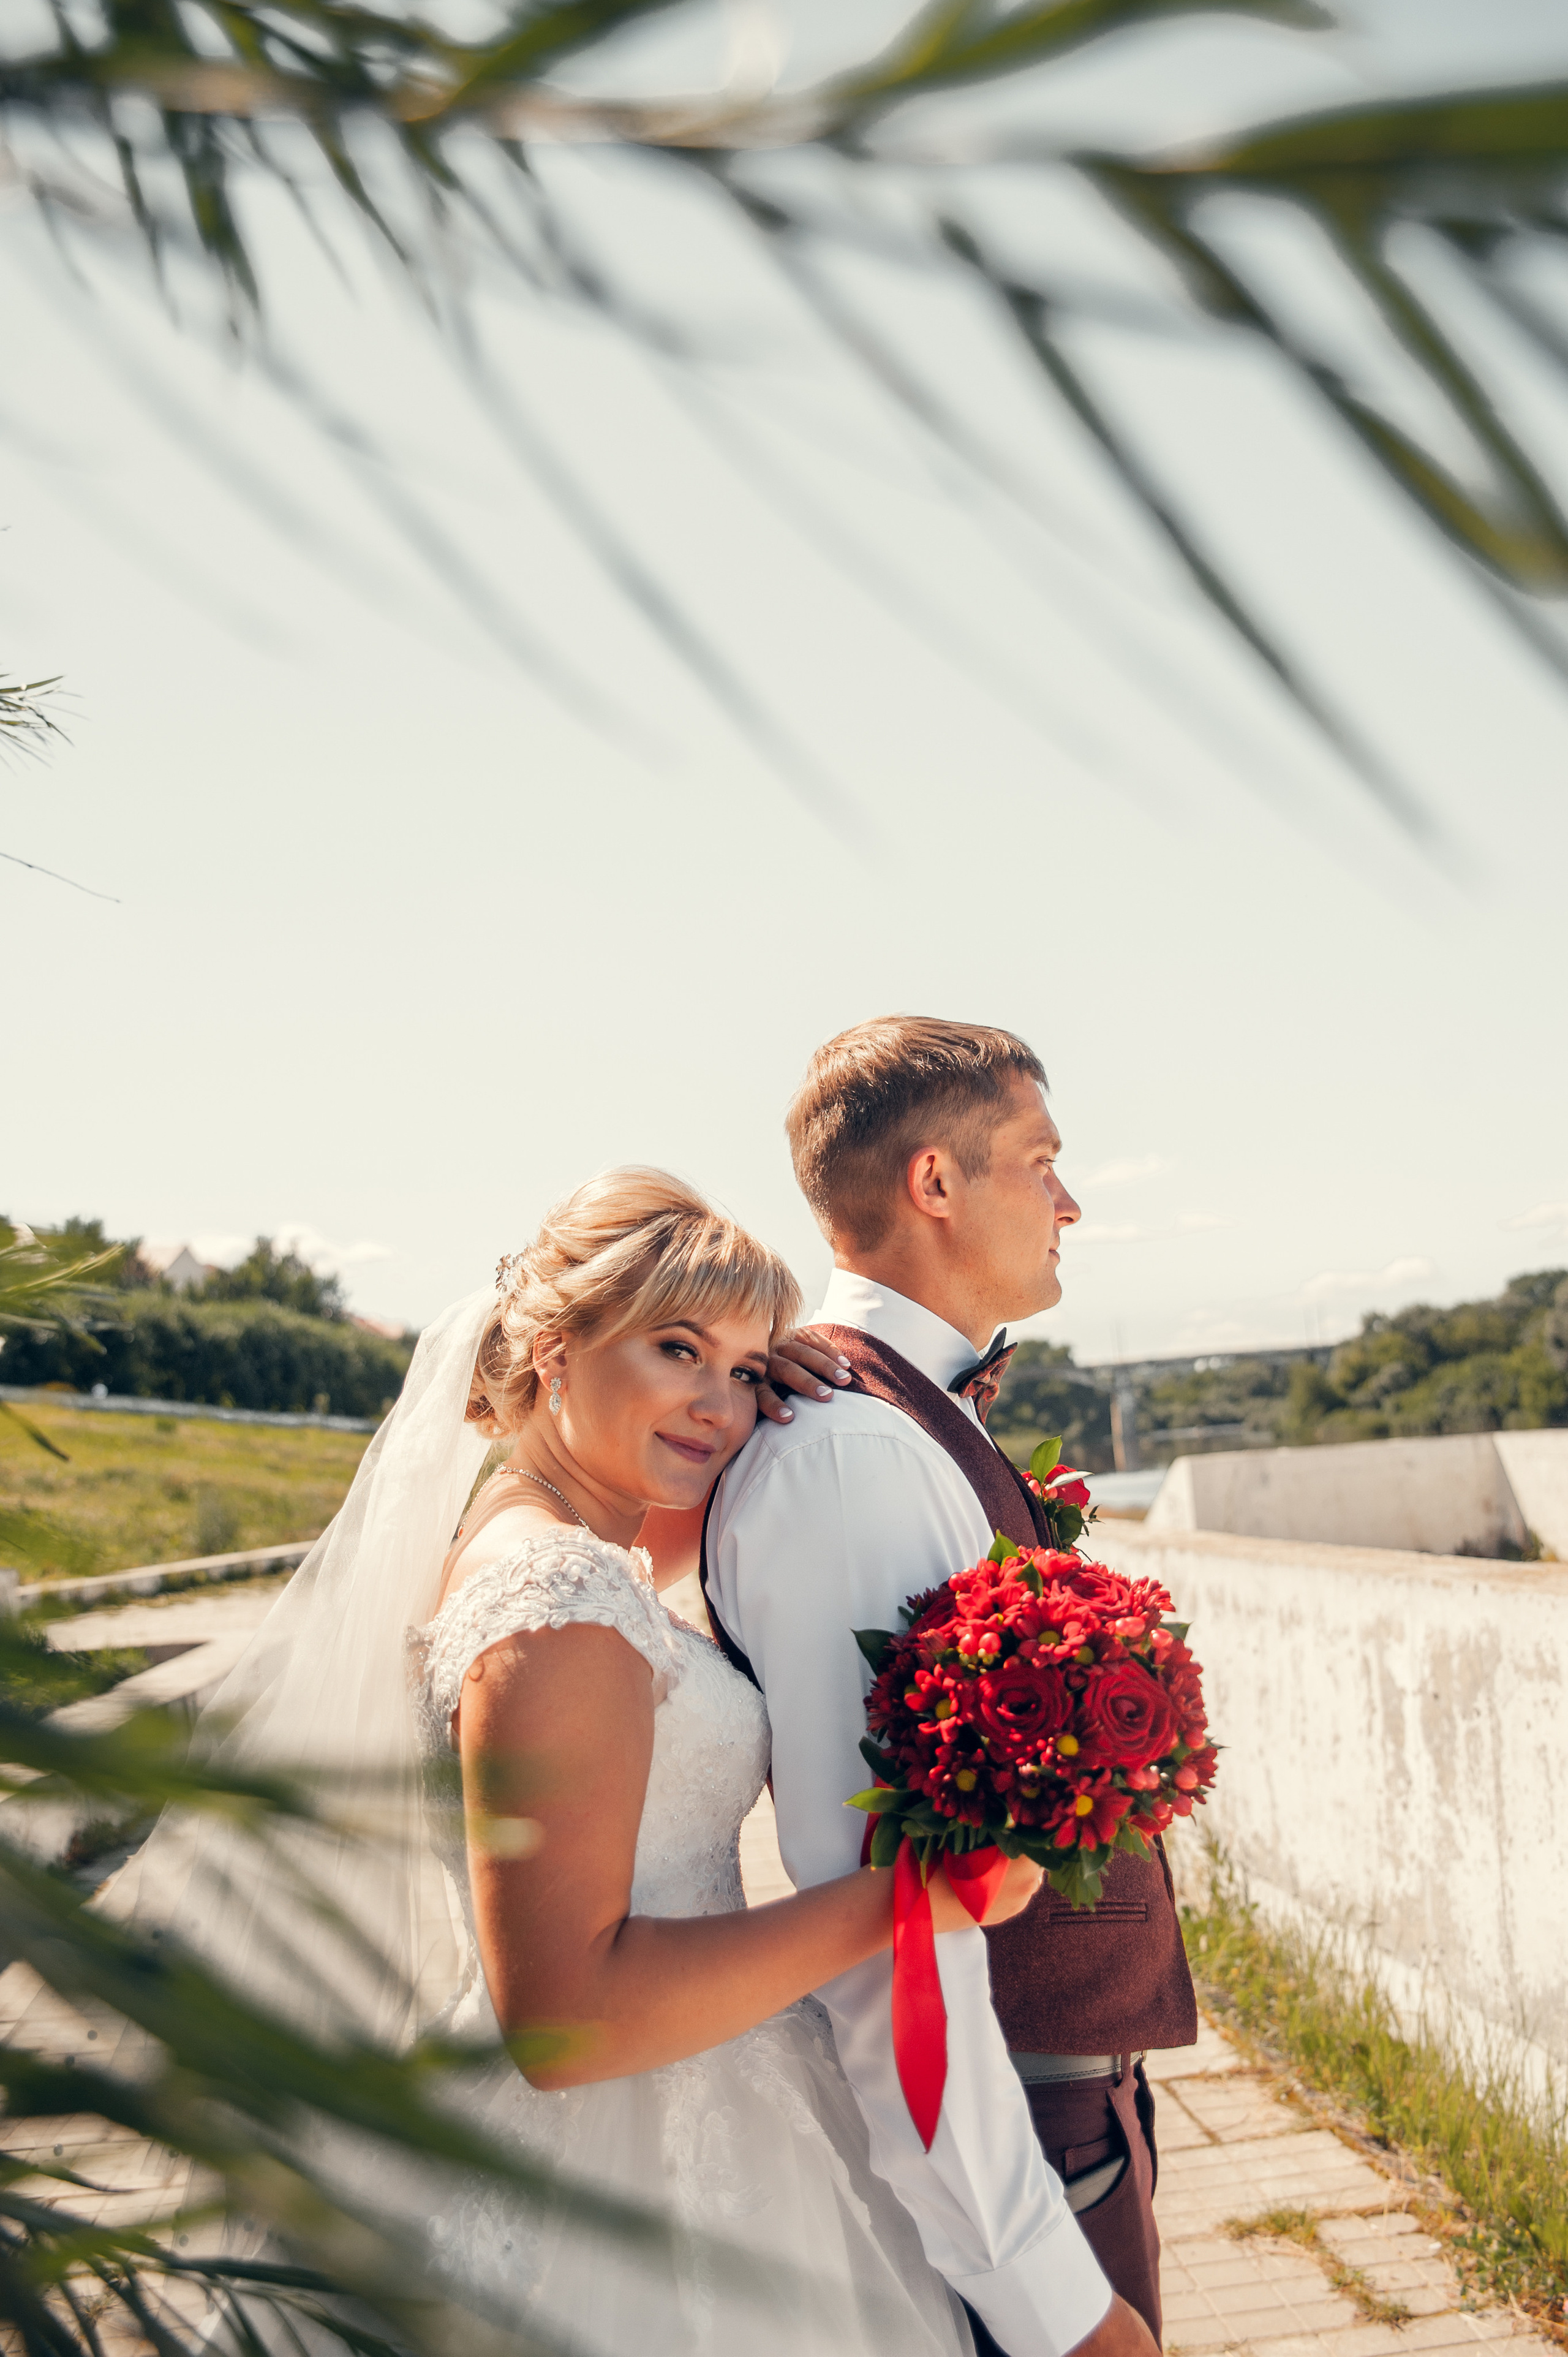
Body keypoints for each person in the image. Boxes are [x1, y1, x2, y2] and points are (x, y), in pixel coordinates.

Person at [113, 1167, 1099, 2357]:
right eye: (676, 1348)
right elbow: (565, 2018)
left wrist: (720, 1397)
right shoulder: (562, 1602)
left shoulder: (542, 1544)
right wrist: (910, 1900)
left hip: (683, 2098)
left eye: (743, 1368)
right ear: (552, 1350)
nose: (720, 1405)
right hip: (623, 2162)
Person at [703, 1016, 1197, 2355]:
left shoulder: (912, 1409)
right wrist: (1051, 2304)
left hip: (1056, 2092)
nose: (1069, 1200)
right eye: (1038, 1162)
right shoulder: (849, 1457)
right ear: (935, 1183)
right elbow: (879, 1922)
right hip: (1012, 2130)